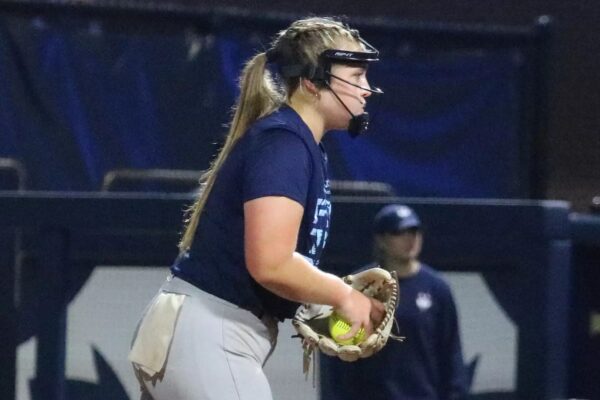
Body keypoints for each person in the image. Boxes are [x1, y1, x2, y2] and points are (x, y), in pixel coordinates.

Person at [128, 17, 385, 400]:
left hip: (196, 329)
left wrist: (313, 298)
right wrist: (342, 295)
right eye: (356, 74)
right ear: (313, 81)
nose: (366, 89)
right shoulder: (285, 142)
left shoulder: (295, 141)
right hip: (211, 331)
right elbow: (270, 263)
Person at [320, 204, 469, 400]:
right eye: (399, 232)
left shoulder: (436, 289)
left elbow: (451, 353)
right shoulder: (358, 289)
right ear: (381, 239)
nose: (410, 238)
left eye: (414, 231)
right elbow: (339, 358)